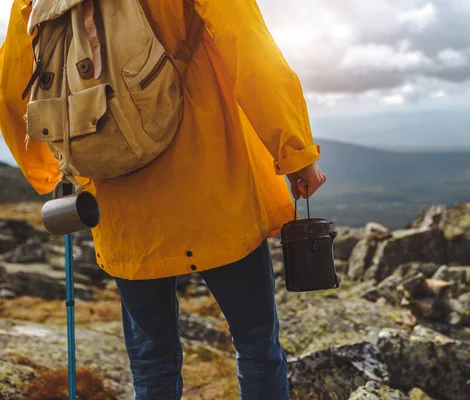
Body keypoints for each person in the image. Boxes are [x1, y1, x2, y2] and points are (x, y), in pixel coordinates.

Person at [0, 0, 326, 399]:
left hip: (122, 203)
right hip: (213, 185)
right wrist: (295, 153)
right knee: (257, 345)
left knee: (153, 362)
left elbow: (12, 87)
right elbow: (251, 51)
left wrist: (48, 171)